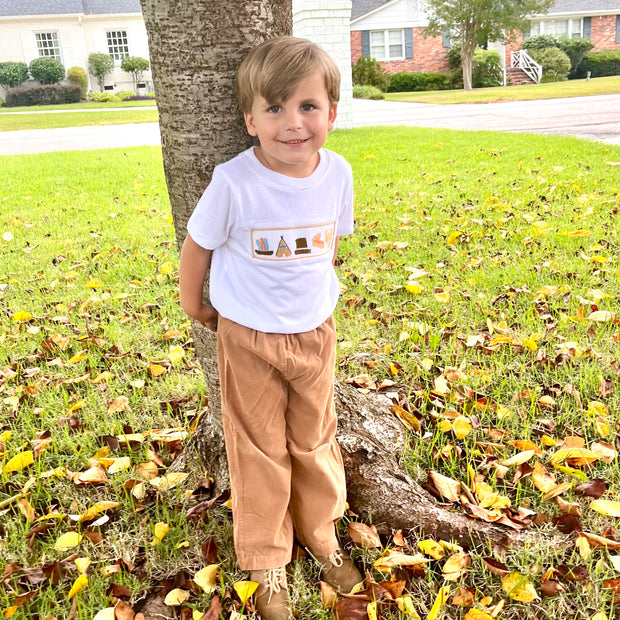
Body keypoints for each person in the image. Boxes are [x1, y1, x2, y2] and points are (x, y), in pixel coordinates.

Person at [178, 37, 362, 620]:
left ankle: (322, 531)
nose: (293, 123)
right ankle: (265, 558)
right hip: (249, 337)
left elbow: (330, 245)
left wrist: (317, 297)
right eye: (274, 108)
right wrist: (193, 304)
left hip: (314, 332)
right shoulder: (234, 181)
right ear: (249, 119)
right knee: (257, 446)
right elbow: (198, 245)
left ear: (332, 112)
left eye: (308, 106)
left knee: (313, 437)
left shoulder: (337, 173)